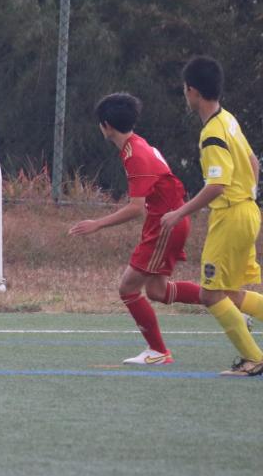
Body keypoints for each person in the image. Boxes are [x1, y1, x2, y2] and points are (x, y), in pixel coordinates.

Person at [67, 92, 203, 364]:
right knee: (157, 292)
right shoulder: (136, 145)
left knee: (128, 288)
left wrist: (97, 224)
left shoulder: (135, 154)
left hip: (166, 223)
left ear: (106, 125)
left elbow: (135, 208)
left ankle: (159, 351)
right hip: (167, 221)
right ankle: (226, 301)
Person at [160, 56, 263, 376]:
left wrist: (179, 213)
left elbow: (217, 185)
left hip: (231, 216)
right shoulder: (228, 120)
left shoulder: (212, 133)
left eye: (184, 89)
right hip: (247, 211)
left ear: (192, 91)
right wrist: (248, 196)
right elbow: (253, 163)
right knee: (229, 292)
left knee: (210, 294)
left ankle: (254, 359)